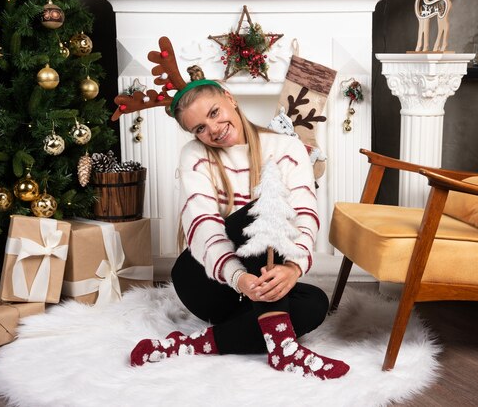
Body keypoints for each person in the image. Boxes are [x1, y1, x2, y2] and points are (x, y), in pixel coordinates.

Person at [129, 73, 350, 380]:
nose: (214, 130)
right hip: (208, 281)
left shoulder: (287, 146)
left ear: (229, 99)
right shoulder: (194, 154)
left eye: (214, 113)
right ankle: (284, 348)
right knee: (264, 209)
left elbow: (304, 213)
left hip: (254, 287)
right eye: (200, 128)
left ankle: (191, 345)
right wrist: (238, 277)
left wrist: (293, 269)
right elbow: (203, 224)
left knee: (314, 304)